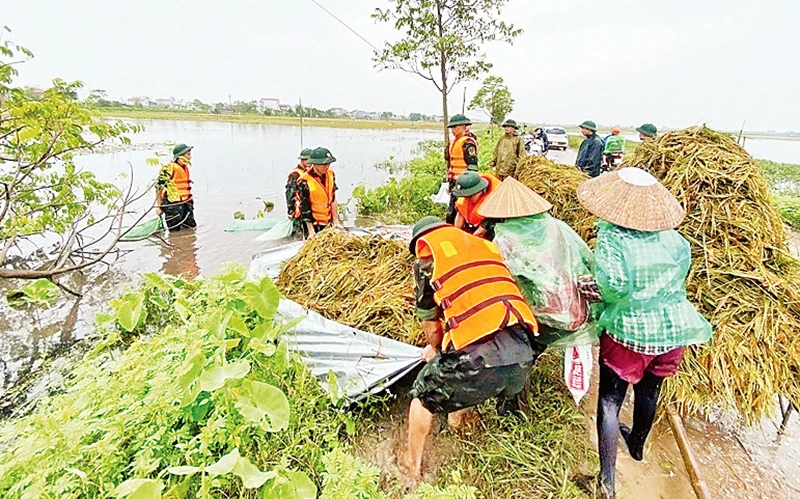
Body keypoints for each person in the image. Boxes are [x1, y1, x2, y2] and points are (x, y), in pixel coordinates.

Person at [576, 167, 713, 499]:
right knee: (649, 391)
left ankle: (606, 483)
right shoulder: (675, 239)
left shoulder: (613, 237)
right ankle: (637, 446)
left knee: (610, 400)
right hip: (673, 332)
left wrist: (588, 288)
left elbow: (616, 287)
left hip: (631, 333)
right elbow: (675, 279)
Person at [403, 216, 539, 479]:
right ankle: (458, 420)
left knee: (422, 396)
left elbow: (431, 324)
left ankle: (411, 465)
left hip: (480, 360)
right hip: (523, 354)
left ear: (421, 241)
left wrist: (436, 349)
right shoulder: (483, 246)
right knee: (466, 367)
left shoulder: (428, 257)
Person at [296, 147, 343, 238]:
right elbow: (305, 207)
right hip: (314, 223)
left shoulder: (331, 174)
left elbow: (333, 199)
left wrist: (336, 221)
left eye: (328, 164)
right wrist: (311, 231)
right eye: (324, 164)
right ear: (315, 164)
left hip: (327, 221)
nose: (327, 167)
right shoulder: (304, 181)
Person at [444, 114, 479, 224]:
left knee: (460, 209)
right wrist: (450, 184)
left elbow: (472, 166)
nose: (453, 130)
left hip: (464, 183)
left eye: (455, 127)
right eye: (452, 128)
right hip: (454, 181)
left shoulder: (467, 143)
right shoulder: (454, 142)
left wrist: (469, 186)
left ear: (464, 126)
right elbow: (450, 163)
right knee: (453, 208)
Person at [155, 143, 197, 231]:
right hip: (173, 205)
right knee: (174, 232)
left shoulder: (184, 167)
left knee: (191, 229)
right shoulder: (169, 168)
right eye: (188, 155)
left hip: (187, 203)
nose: (190, 157)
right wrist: (159, 207)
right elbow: (159, 187)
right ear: (180, 156)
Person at [452, 170, 501, 240]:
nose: (467, 199)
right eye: (465, 196)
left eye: (469, 196)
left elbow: (480, 232)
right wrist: (456, 235)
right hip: (474, 224)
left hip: (495, 222)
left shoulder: (494, 200)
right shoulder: (467, 191)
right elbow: (460, 215)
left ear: (480, 191)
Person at [286, 148, 312, 235]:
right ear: (302, 160)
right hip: (299, 208)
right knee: (300, 231)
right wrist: (290, 211)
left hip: (308, 206)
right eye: (308, 160)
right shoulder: (295, 174)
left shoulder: (309, 173)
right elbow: (289, 194)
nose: (311, 162)